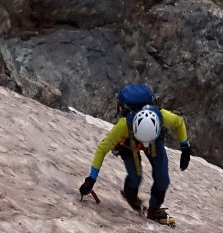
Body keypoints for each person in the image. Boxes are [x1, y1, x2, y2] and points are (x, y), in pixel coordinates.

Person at [78, 89, 192, 224]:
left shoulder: (161, 116)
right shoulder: (123, 126)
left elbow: (179, 122)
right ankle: (130, 195)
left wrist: (185, 148)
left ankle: (153, 209)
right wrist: (91, 178)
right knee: (135, 176)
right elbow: (102, 149)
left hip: (153, 141)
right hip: (129, 144)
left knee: (162, 178)